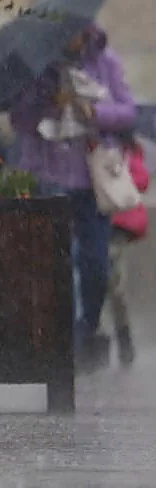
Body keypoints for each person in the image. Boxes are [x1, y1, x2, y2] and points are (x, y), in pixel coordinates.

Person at [9, 24, 136, 372]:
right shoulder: (36, 64)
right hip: (47, 175)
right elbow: (18, 119)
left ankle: (86, 328)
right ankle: (60, 339)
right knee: (53, 261)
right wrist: (47, 103)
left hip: (91, 177)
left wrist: (96, 113)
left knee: (95, 262)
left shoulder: (104, 60)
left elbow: (128, 110)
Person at [107, 132, 147, 366]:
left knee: (114, 283)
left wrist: (118, 171)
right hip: (92, 220)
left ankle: (122, 336)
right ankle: (97, 336)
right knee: (97, 282)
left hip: (117, 225)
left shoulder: (129, 149)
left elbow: (141, 180)